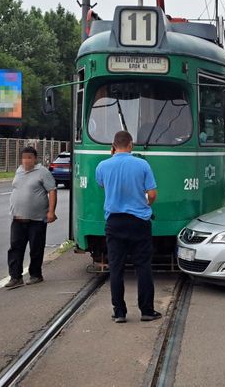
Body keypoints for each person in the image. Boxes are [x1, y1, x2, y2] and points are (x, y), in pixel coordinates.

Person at [95, 131, 161, 323]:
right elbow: (153, 194)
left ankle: (120, 312)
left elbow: (102, 185)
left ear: (113, 146)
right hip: (139, 222)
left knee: (116, 268)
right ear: (131, 145)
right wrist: (144, 205)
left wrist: (112, 158)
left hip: (114, 222)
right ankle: (147, 311)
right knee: (143, 267)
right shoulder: (142, 164)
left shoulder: (103, 166)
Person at [5, 146, 58, 289]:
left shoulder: (43, 172)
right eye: (24, 158)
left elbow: (52, 191)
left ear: (35, 159)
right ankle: (15, 277)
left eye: (29, 157)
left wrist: (51, 212)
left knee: (36, 247)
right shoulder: (19, 170)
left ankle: (36, 275)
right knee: (15, 247)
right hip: (18, 217)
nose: (26, 160)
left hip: (37, 219)